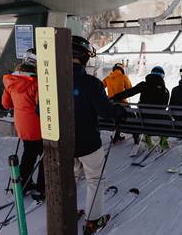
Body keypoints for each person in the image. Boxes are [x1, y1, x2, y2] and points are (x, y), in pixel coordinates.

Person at [71, 36, 126, 235]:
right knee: (95, 179)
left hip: (63, 145)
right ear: (85, 57)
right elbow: (106, 112)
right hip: (88, 143)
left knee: (70, 178)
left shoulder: (52, 81)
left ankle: (68, 212)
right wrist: (120, 112)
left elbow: (38, 111)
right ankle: (93, 221)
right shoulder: (91, 83)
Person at [1, 48, 45, 200]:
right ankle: (42, 188)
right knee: (45, 156)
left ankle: (22, 185)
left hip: (21, 125)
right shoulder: (37, 82)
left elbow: (6, 104)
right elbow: (42, 107)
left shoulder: (11, 81)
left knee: (29, 154)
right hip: (37, 126)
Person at [111, 66, 170, 150]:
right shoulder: (165, 91)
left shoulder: (144, 85)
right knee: (168, 118)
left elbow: (129, 92)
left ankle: (148, 137)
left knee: (145, 114)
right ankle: (163, 140)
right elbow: (164, 106)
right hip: (159, 121)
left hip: (142, 118)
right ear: (162, 76)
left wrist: (114, 97)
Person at [102, 62, 132, 143]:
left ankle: (116, 135)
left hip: (111, 104)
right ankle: (136, 138)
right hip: (122, 103)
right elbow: (130, 89)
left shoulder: (108, 78)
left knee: (116, 116)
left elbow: (100, 87)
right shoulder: (123, 77)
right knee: (132, 117)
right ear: (122, 69)